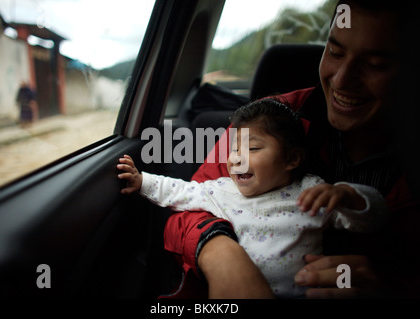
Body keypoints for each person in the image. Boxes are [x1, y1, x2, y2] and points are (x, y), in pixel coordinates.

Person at [161, 0, 420, 299]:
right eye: (335, 52)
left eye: (375, 65)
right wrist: (220, 253)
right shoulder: (266, 121)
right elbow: (184, 214)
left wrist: (389, 289)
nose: (342, 79)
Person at [118, 98, 389, 298]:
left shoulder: (312, 192)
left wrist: (348, 196)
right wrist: (143, 181)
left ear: (292, 159)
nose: (236, 158)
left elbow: (373, 218)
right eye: (234, 149)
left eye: (253, 148)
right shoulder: (223, 191)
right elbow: (183, 192)